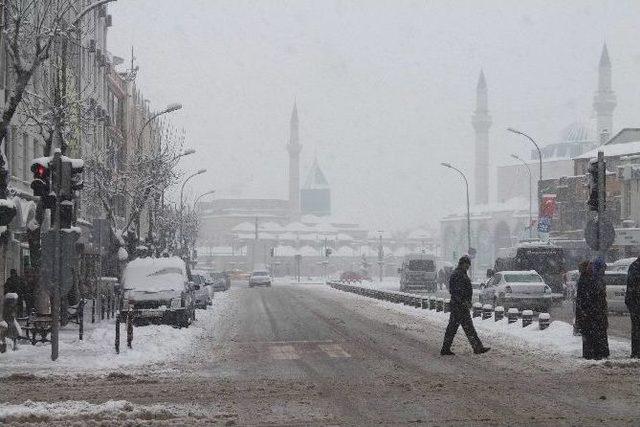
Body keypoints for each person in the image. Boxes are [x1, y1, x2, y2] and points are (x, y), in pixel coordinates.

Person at [440, 255, 490, 356]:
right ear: (462, 263)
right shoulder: (458, 274)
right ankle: (446, 349)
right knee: (456, 328)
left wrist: (465, 301)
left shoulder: (460, 273)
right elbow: (455, 291)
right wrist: (463, 301)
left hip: (460, 306)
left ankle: (477, 347)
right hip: (459, 306)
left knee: (464, 327)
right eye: (467, 264)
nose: (468, 267)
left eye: (468, 265)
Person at [576, 257, 610, 360]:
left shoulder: (591, 278)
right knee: (592, 333)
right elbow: (586, 297)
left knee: (595, 332)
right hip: (591, 312)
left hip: (593, 311)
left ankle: (596, 353)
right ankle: (595, 353)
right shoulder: (587, 279)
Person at [625, 257, 640, 358]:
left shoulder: (634, 266)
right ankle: (636, 352)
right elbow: (633, 286)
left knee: (636, 328)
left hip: (634, 302)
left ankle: (636, 351)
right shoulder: (635, 267)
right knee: (637, 328)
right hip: (635, 302)